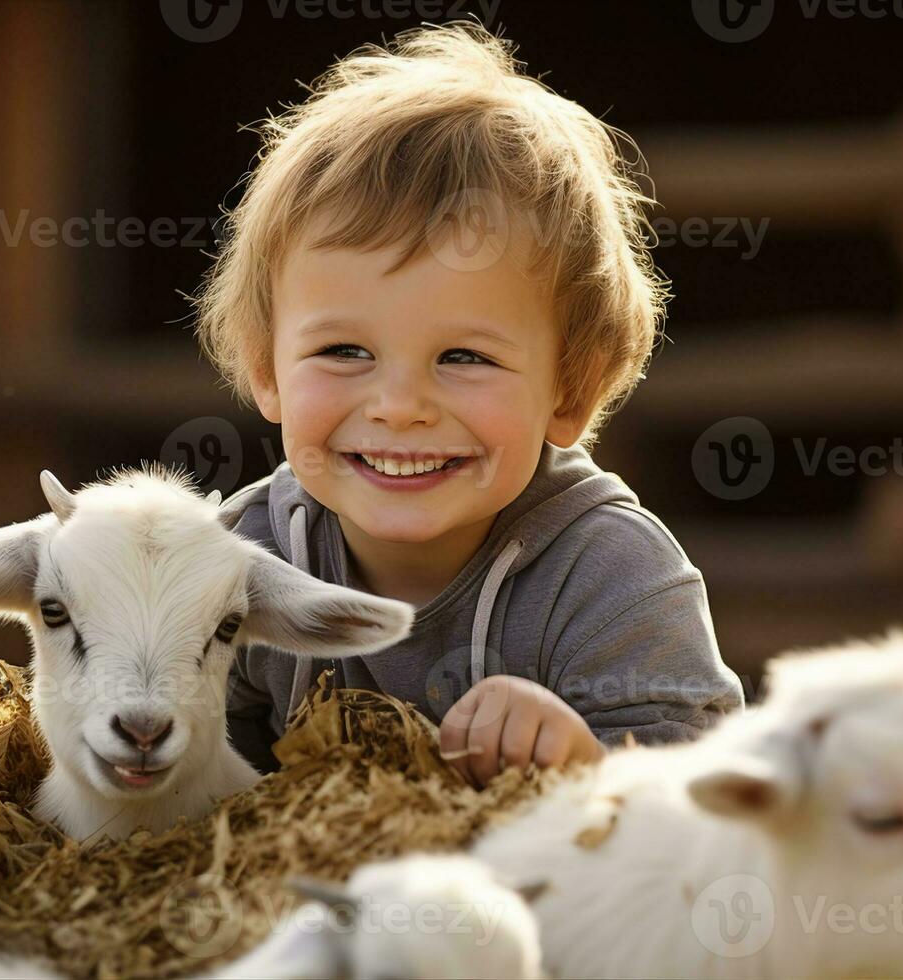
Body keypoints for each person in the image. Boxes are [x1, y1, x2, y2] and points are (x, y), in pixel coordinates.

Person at [196, 21, 744, 786]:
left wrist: (584, 766)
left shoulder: (610, 576)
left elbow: (713, 799)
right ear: (267, 369)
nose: (399, 405)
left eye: (464, 357)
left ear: (571, 392)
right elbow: (185, 798)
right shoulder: (236, 566)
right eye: (344, 352)